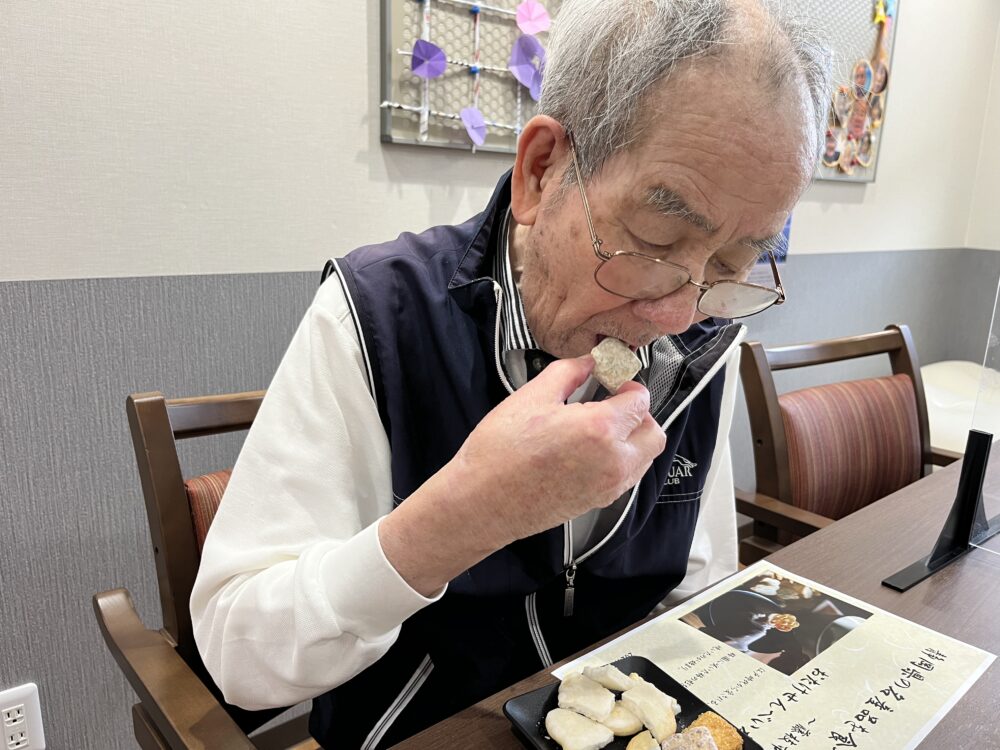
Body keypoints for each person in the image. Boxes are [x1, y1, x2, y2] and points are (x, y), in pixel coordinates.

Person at [190, 1, 831, 747]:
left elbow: (695, 583)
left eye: (730, 263)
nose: (678, 313)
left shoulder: (706, 335)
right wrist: (463, 517)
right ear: (539, 170)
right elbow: (240, 656)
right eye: (657, 239)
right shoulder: (375, 314)